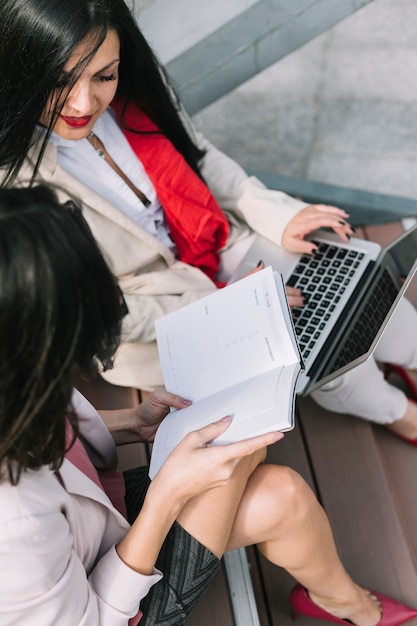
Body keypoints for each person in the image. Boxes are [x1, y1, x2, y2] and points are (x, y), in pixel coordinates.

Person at [1, 0, 417, 444]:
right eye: (60, 81)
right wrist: (220, 310)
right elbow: (89, 313)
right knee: (319, 352)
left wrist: (277, 212)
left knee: (360, 288)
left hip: (209, 239)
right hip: (161, 311)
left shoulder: (135, 88)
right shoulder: (11, 183)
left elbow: (199, 156)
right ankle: (398, 411)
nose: (85, 102)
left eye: (105, 75)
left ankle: (407, 357)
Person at [1, 183, 417, 625]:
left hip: (98, 523)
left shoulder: (15, 370)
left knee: (282, 493)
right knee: (240, 442)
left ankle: (339, 601)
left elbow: (41, 433)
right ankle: (349, 605)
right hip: (117, 606)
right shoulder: (13, 529)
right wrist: (165, 496)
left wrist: (130, 423)